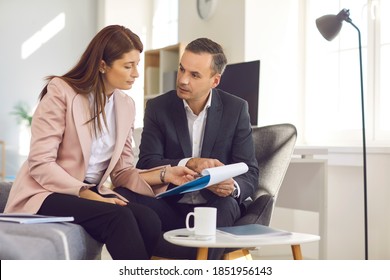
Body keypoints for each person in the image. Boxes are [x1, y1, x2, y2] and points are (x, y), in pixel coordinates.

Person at [4, 25, 197, 260]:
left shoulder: (126, 105)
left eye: (137, 64)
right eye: (128, 66)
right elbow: (40, 163)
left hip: (88, 191)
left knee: (148, 218)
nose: (136, 73)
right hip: (46, 192)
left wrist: (167, 175)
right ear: (103, 65)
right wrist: (87, 193)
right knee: (119, 217)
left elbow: (122, 171)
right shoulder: (61, 92)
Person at [116, 38, 259, 259]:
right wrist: (187, 163)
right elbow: (146, 163)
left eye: (194, 75)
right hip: (171, 208)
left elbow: (250, 171)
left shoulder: (236, 109)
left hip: (215, 207)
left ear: (215, 80)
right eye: (181, 69)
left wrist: (232, 187)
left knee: (227, 204)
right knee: (122, 195)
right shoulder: (158, 107)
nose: (182, 80)